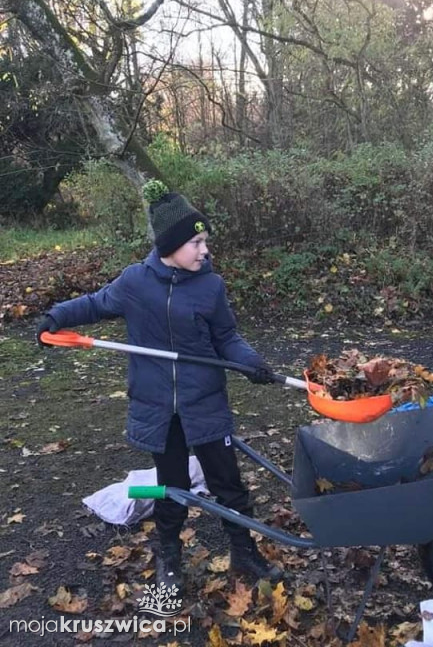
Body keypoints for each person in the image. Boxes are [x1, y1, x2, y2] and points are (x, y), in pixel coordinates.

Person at [36, 180, 282, 593]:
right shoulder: (135, 283)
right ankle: (168, 554)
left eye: (205, 241)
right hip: (158, 409)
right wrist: (56, 316)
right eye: (197, 242)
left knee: (229, 485)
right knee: (170, 488)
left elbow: (228, 339)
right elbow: (96, 304)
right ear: (172, 245)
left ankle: (244, 552)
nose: (205, 250)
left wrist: (252, 364)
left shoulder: (210, 286)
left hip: (205, 402)